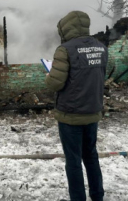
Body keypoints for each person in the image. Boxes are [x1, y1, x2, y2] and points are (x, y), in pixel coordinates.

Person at [45, 11, 107, 201]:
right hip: (92, 112)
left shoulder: (65, 49)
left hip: (70, 115)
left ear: (66, 28)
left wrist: (49, 76)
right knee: (91, 156)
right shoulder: (101, 47)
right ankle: (97, 196)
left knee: (73, 161)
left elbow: (56, 84)